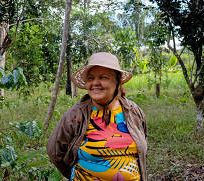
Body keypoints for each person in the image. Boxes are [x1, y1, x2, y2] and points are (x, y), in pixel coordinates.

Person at [47, 52, 148, 181]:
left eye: (103, 77)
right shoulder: (75, 115)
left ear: (117, 81)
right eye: (90, 78)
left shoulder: (133, 111)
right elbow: (54, 151)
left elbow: (143, 143)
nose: (95, 83)